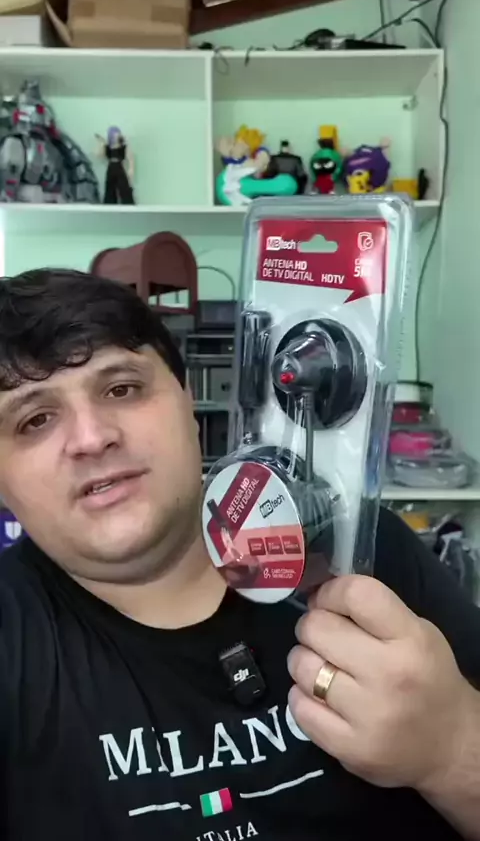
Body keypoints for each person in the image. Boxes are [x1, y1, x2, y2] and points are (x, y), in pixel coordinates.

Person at [0, 268, 478, 841]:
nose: (91, 437)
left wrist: (452, 750)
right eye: (35, 419)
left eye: (121, 388)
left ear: (188, 399)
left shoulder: (357, 549)